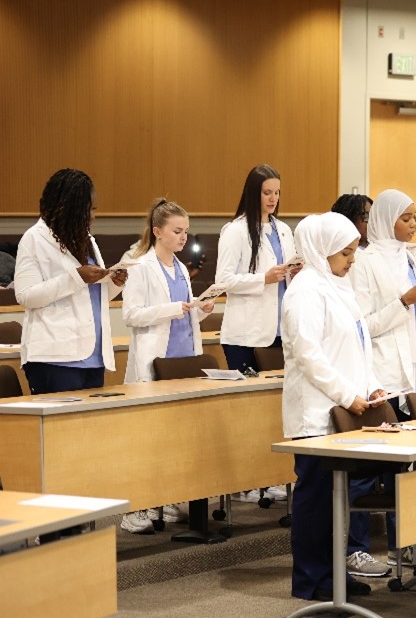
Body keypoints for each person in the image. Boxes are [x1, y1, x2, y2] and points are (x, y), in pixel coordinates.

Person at [282, 212, 392, 602]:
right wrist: (348, 395)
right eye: (345, 253)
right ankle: (312, 582)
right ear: (322, 250)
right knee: (315, 502)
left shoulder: (339, 286)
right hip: (316, 414)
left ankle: (335, 579)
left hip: (346, 411)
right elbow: (309, 355)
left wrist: (373, 385)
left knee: (336, 501)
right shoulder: (305, 290)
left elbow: (358, 346)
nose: (352, 259)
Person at [119, 199, 214, 534]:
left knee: (176, 439)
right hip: (154, 362)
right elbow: (130, 315)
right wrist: (174, 308)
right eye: (177, 231)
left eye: (186, 231)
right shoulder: (139, 266)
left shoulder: (180, 268)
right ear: (158, 232)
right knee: (149, 438)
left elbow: (184, 312)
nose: (183, 237)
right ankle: (136, 507)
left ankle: (168, 499)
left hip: (182, 360)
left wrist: (200, 308)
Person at [14, 169, 127, 394]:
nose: (93, 216)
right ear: (69, 207)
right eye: (88, 210)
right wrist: (76, 277)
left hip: (93, 356)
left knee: (90, 428)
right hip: (55, 358)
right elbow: (25, 296)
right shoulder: (34, 239)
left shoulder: (86, 239)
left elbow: (92, 297)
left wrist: (114, 282)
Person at [351, 190, 416, 419]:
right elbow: (363, 326)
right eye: (406, 219)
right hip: (386, 366)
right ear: (386, 220)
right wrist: (404, 302)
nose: (413, 224)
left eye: (414, 217)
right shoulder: (363, 262)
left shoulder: (409, 257)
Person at [216, 165, 297, 374]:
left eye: (277, 192)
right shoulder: (235, 231)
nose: (273, 198)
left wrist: (295, 273)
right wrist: (264, 278)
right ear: (254, 194)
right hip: (246, 333)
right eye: (267, 193)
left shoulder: (284, 230)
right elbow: (223, 280)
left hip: (281, 331)